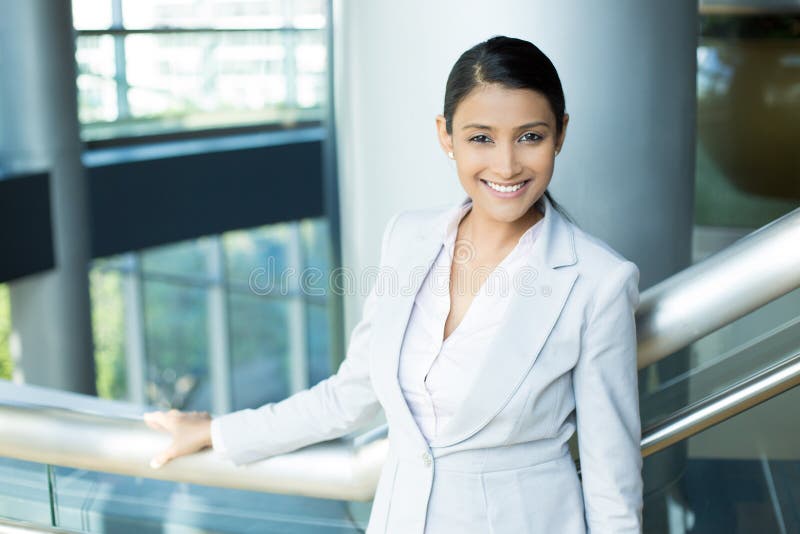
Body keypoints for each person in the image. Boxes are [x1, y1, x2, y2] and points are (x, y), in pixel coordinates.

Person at [144, 35, 643, 533]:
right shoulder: (408, 238)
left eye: (530, 136)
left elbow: (610, 481)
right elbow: (351, 393)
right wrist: (220, 432)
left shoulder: (599, 282)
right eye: (481, 137)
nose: (507, 164)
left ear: (560, 134)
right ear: (446, 136)